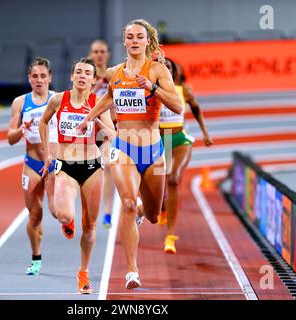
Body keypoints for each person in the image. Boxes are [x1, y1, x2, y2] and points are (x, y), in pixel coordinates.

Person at [77, 19, 183, 289]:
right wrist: (88, 117)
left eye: (139, 36)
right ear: (124, 41)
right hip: (123, 148)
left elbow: (178, 106)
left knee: (152, 215)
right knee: (124, 202)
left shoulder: (158, 70)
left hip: (153, 151)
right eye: (130, 37)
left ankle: (139, 208)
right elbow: (109, 98)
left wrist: (152, 87)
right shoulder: (116, 72)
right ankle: (132, 271)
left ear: (148, 41)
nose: (134, 41)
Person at [39, 58, 115, 294]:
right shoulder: (58, 100)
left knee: (90, 226)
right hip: (66, 166)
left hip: (92, 167)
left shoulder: (98, 103)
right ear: (72, 77)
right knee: (63, 215)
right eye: (78, 72)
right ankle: (68, 219)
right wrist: (47, 155)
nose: (82, 76)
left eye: (87, 73)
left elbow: (112, 133)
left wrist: (95, 120)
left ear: (93, 81)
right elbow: (43, 121)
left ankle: (83, 272)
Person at [7, 57, 58, 276]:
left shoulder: (57, 99)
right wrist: (21, 130)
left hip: (54, 162)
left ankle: (67, 220)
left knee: (57, 211)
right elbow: (10, 138)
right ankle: (36, 259)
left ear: (50, 78)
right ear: (29, 79)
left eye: (43, 76)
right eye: (35, 76)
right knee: (35, 215)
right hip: (31, 165)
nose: (39, 80)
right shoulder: (20, 102)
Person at [158, 57, 213, 254]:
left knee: (173, 180)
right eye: (162, 67)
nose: (166, 69)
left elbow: (196, 108)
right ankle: (158, 209)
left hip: (179, 140)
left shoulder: (183, 91)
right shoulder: (151, 91)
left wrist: (205, 132)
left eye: (169, 67)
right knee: (158, 193)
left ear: (174, 72)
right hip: (158, 141)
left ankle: (170, 236)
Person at [88, 39, 116, 228]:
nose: (99, 55)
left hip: (108, 127)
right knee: (88, 172)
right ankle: (90, 209)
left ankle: (107, 211)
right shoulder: (84, 74)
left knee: (107, 167)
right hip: (89, 129)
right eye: (96, 52)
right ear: (91, 54)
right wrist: (95, 88)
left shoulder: (114, 75)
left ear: (108, 55)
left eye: (102, 51)